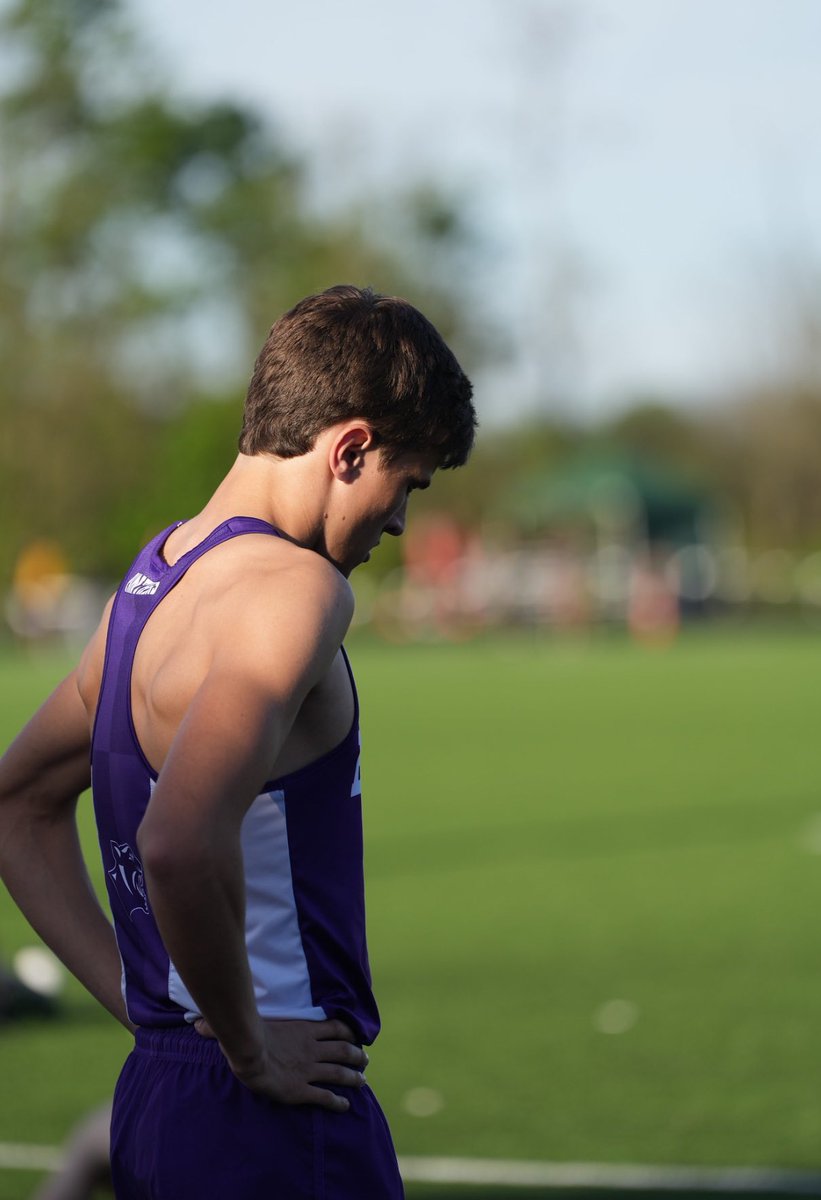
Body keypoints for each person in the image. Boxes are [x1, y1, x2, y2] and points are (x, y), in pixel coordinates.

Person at [0, 284, 476, 1199]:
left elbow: (17, 805)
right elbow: (177, 841)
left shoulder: (154, 580)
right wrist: (249, 1046)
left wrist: (155, 1016)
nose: (401, 522)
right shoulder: (297, 592)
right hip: (275, 1121)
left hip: (160, 1094)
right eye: (405, 484)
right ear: (349, 448)